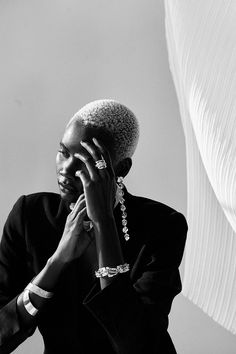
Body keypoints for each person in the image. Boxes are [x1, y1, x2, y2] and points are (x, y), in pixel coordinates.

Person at [0, 99, 187, 354]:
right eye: (64, 152)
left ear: (120, 169)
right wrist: (57, 261)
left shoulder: (162, 226)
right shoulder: (29, 217)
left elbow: (137, 345)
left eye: (84, 161)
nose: (66, 169)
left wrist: (104, 224)